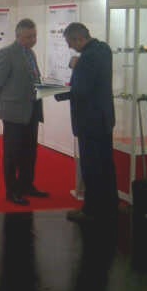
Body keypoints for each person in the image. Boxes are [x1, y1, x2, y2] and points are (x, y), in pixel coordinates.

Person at [56, 22, 117, 223]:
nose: (69, 47)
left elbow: (81, 90)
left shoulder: (87, 58)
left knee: (91, 167)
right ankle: (110, 206)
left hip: (89, 121)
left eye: (70, 42)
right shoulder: (104, 49)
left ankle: (91, 210)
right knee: (106, 164)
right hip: (104, 118)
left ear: (79, 39)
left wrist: (57, 91)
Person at [0, 18, 49, 206]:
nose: (33, 40)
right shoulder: (7, 53)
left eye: (34, 36)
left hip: (32, 109)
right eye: (28, 37)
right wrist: (0, 106)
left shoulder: (31, 53)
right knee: (12, 153)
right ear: (18, 36)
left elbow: (34, 79)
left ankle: (27, 185)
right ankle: (12, 191)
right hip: (13, 112)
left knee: (30, 151)